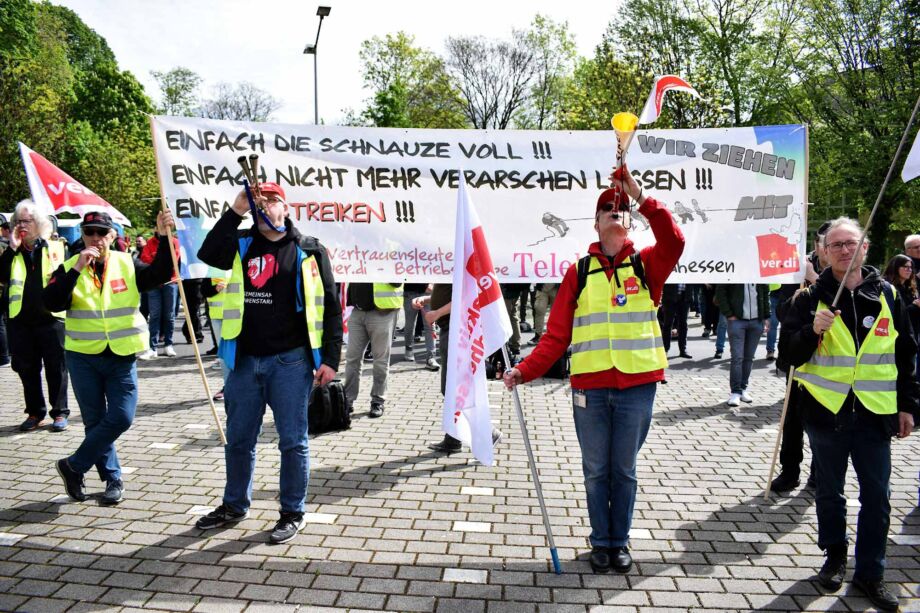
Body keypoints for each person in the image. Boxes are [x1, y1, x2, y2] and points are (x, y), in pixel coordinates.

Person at [503, 165, 684, 574]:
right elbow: (554, 337)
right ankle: (600, 540)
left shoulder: (646, 265)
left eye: (621, 210)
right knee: (596, 469)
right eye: (607, 209)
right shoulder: (578, 272)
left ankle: (618, 542)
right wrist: (523, 371)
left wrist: (639, 196)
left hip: (638, 386)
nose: (615, 213)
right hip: (590, 388)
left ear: (630, 219)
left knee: (623, 469)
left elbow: (675, 239)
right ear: (597, 222)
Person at [780, 217, 918, 612]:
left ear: (865, 248)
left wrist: (909, 405)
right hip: (826, 413)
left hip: (876, 414)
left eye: (851, 243)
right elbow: (787, 357)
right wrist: (811, 331)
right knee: (830, 491)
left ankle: (871, 572)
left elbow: (906, 353)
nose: (844, 250)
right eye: (835, 244)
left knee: (878, 495)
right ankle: (834, 556)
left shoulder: (889, 295)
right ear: (823, 252)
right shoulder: (807, 300)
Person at [195, 182, 341, 544]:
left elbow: (333, 307)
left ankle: (292, 512)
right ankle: (234, 505)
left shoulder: (308, 249)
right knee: (239, 440)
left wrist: (331, 359)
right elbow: (208, 254)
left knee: (293, 441)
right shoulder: (241, 243)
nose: (265, 206)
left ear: (286, 209)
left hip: (290, 362)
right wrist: (236, 209)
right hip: (243, 361)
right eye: (259, 201)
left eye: (272, 201)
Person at [43, 210, 176, 505]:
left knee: (121, 416)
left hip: (121, 354)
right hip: (82, 355)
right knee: (94, 420)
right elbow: (51, 301)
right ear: (82, 235)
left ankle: (74, 465)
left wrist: (164, 237)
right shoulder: (69, 266)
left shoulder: (127, 262)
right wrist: (77, 267)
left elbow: (161, 274)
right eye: (89, 232)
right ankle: (112, 478)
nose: (95, 238)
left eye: (102, 233)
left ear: (113, 236)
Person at [771, 221, 831, 493]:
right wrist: (799, 291)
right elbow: (781, 313)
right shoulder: (796, 270)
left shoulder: (845, 274)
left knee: (824, 424)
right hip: (798, 360)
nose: (831, 249)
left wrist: (816, 282)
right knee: (792, 422)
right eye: (826, 243)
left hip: (830, 367)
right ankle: (789, 471)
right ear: (818, 245)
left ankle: (819, 472)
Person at [0, 200, 70, 431]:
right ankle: (34, 413)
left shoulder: (55, 247)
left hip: (51, 319)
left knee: (56, 368)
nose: (21, 225)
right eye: (17, 221)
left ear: (39, 223)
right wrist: (12, 247)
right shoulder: (11, 251)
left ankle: (59, 413)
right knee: (26, 369)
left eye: (26, 221)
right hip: (20, 320)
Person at [343, 282, 402, 418]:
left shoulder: (392, 258)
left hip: (383, 311)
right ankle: (347, 400)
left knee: (380, 360)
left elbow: (397, 282)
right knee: (352, 358)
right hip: (358, 310)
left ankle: (378, 400)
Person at [715, 283, 770, 406]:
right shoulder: (735, 269)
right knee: (737, 357)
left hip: (756, 321)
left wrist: (766, 316)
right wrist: (729, 313)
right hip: (737, 320)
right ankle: (735, 391)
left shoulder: (758, 271)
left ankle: (743, 389)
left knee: (749, 358)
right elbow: (721, 291)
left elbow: (765, 294)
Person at [138, 233, 180, 359]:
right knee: (154, 315)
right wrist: (159, 260)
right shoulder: (150, 243)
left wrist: (155, 258)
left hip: (170, 281)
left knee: (169, 315)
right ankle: (152, 347)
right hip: (154, 283)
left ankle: (168, 344)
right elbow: (145, 259)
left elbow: (174, 259)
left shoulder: (174, 241)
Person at [402, 283, 439, 371]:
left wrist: (432, 284)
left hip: (428, 293)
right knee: (410, 324)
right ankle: (409, 349)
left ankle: (431, 357)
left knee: (430, 324)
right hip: (410, 291)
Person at [659, 283, 692, 358]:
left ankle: (683, 350)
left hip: (685, 296)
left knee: (683, 324)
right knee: (668, 324)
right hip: (669, 296)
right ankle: (665, 350)